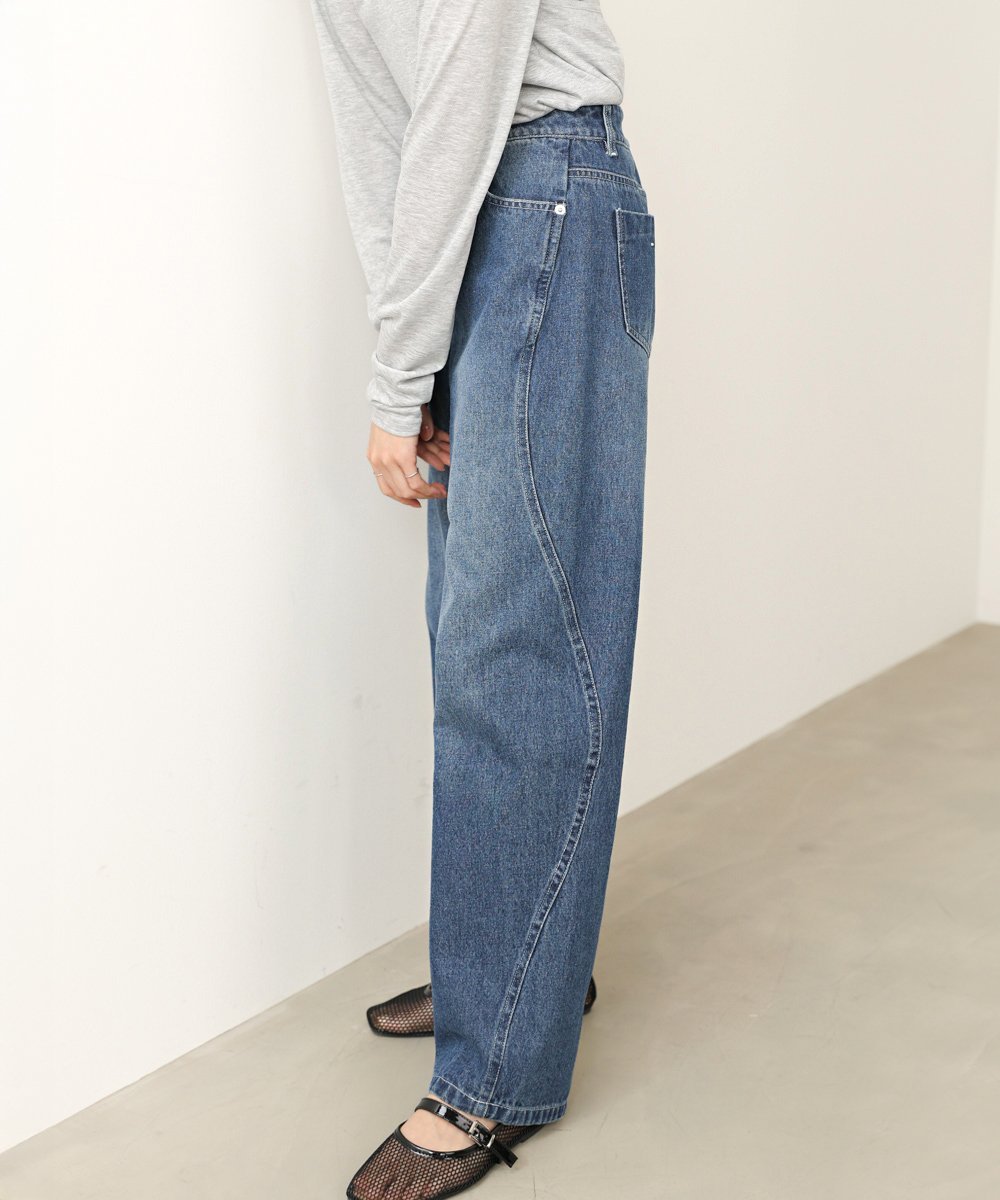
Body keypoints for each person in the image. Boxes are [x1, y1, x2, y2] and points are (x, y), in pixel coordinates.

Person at [309, 1, 655, 1196]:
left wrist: (397, 374)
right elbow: (379, 116)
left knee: (520, 648)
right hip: (470, 216)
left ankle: (496, 1065)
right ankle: (511, 971)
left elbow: (465, 88)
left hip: (543, 189)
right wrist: (403, 350)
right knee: (471, 636)